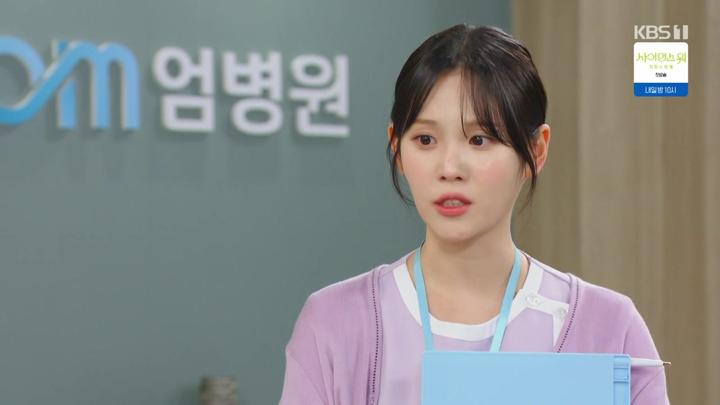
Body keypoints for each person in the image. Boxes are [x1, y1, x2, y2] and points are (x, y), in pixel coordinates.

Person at [279, 24, 669, 405]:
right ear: (396, 147)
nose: (450, 168)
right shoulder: (334, 323)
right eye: (425, 140)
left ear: (536, 151)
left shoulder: (609, 327)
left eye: (479, 140)